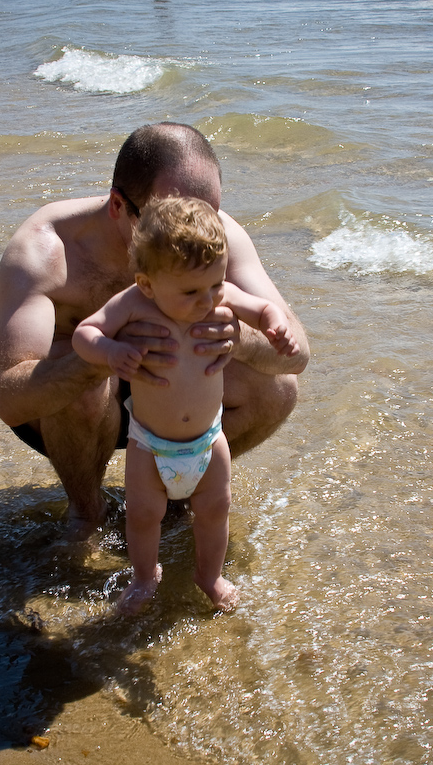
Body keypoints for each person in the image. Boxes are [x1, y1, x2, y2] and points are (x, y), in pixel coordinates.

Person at [0, 122, 309, 540]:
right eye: (166, 218)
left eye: (206, 217)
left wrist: (240, 339)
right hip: (70, 411)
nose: (190, 236)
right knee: (85, 388)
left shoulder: (210, 236)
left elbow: (297, 354)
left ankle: (173, 500)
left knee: (278, 388)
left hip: (170, 396)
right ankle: (87, 513)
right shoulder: (45, 250)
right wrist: (99, 358)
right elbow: (10, 399)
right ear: (118, 206)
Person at [72, 196, 299, 613]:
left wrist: (275, 326)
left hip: (209, 442)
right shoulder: (133, 304)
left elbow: (264, 308)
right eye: (192, 290)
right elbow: (84, 333)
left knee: (216, 511)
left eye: (215, 284)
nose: (208, 299)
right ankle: (144, 578)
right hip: (149, 445)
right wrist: (108, 351)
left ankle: (208, 576)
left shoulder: (221, 296)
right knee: (143, 515)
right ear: (148, 284)